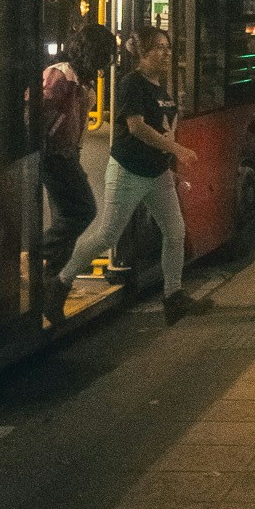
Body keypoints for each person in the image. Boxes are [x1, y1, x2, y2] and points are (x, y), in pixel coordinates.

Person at [52, 21, 201, 323]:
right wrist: (177, 151)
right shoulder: (132, 84)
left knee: (175, 232)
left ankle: (173, 295)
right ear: (142, 53)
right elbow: (136, 127)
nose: (165, 53)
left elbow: (165, 130)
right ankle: (60, 283)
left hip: (157, 174)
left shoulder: (162, 88)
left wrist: (168, 166)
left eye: (167, 47)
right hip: (128, 172)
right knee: (107, 235)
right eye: (158, 47)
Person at [40, 20, 112, 276]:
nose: (107, 64)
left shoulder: (80, 81)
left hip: (67, 154)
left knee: (65, 219)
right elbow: (38, 111)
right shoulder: (61, 76)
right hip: (54, 155)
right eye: (105, 56)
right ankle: (37, 256)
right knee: (83, 211)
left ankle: (51, 284)